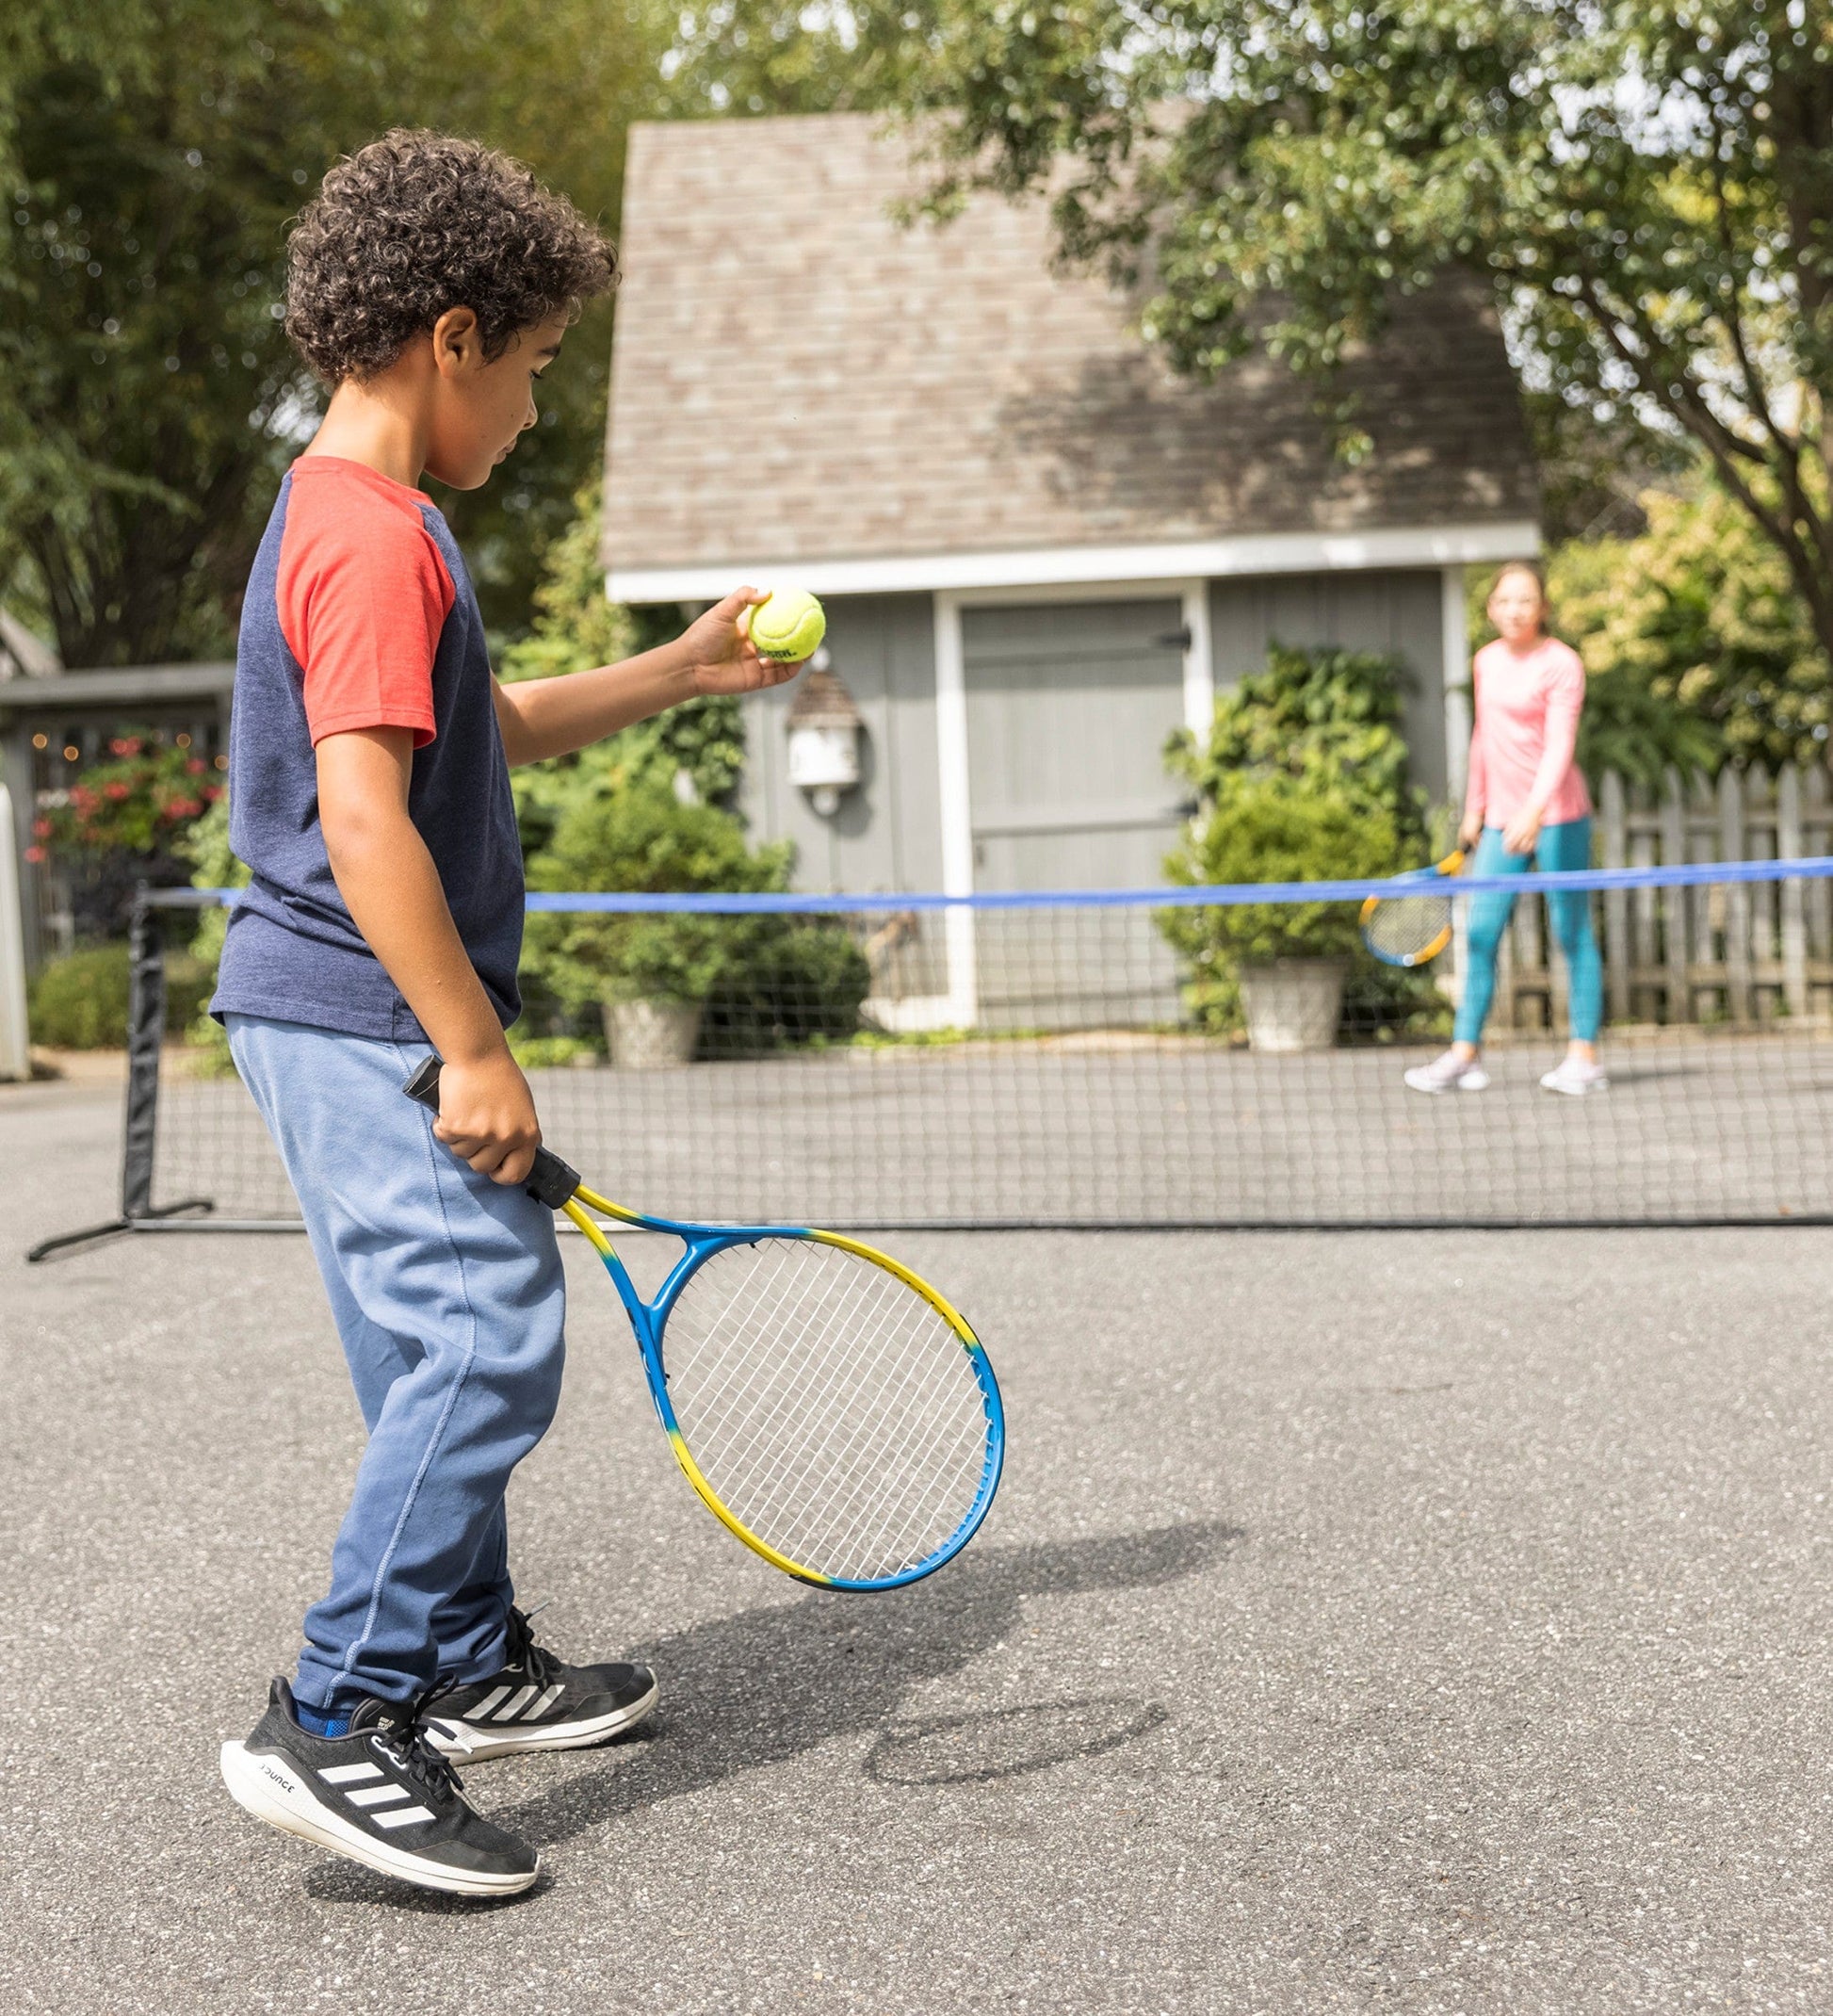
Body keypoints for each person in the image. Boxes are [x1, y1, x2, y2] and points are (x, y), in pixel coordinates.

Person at [211, 131, 804, 1897]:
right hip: (360, 1008)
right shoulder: (376, 539)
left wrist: (682, 667)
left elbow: (489, 725)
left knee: (424, 1344)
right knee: (483, 1332)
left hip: (316, 1007)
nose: (535, 412)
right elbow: (371, 814)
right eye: (537, 370)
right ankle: (335, 1709)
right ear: (450, 335)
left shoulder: (356, 520)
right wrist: (471, 1046)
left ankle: (461, 1659)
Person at [1404, 561, 1607, 1098]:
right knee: (1481, 933)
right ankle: (1464, 1055)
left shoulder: (1562, 664)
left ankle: (1584, 1056)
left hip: (1559, 816)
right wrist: (1476, 808)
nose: (1515, 610)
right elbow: (1483, 739)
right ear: (1490, 607)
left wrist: (1535, 811)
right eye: (1505, 600)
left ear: (1542, 607)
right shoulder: (1486, 662)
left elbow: (1561, 744)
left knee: (1571, 931)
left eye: (1526, 600)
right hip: (1498, 821)